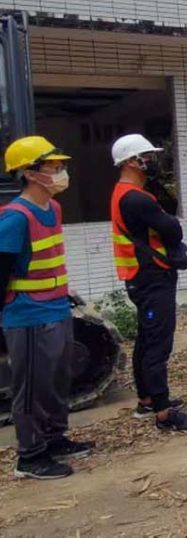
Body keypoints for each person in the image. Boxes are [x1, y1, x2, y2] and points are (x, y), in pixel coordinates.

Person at [0, 136, 93, 480]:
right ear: (29, 173)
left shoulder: (52, 208)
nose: (60, 172)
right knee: (31, 387)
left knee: (57, 379)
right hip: (27, 314)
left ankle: (55, 437)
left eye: (59, 166)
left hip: (54, 308)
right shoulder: (15, 218)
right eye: (53, 167)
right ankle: (31, 454)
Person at [109, 133, 187, 432]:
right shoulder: (136, 198)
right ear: (130, 162)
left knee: (146, 339)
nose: (151, 162)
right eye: (146, 157)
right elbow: (171, 229)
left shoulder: (125, 193)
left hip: (141, 276)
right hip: (151, 276)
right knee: (157, 344)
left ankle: (148, 399)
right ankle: (163, 413)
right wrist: (167, 221)